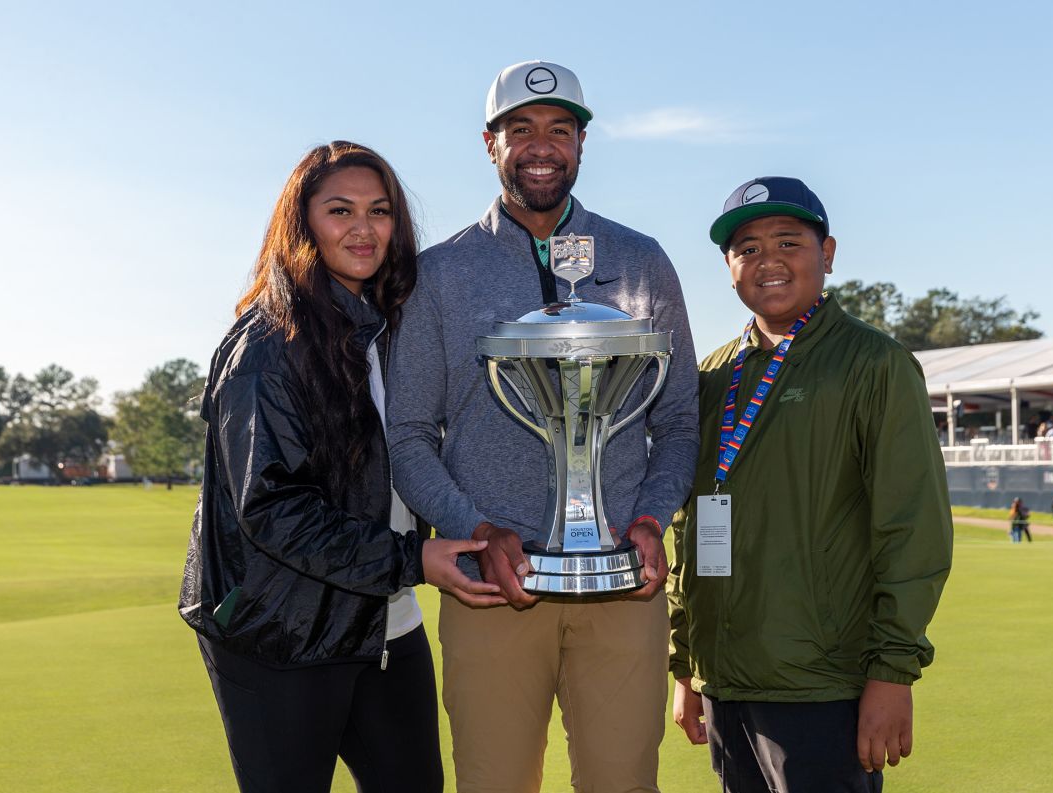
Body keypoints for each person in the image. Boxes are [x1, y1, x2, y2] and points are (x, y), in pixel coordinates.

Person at [386, 61, 699, 793]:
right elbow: (407, 435)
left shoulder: (642, 260)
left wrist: (652, 517)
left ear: (583, 144)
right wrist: (476, 527)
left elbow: (679, 420)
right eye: (520, 129)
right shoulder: (439, 274)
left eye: (560, 129)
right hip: (491, 588)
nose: (541, 146)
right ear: (489, 143)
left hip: (622, 584)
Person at [178, 142, 504, 793]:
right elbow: (273, 509)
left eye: (379, 210)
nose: (363, 227)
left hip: (387, 623)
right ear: (304, 223)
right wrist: (414, 559)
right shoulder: (269, 345)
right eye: (339, 210)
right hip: (282, 632)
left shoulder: (381, 328)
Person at [668, 176, 954, 792]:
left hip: (825, 684)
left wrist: (892, 674)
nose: (767, 260)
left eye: (788, 242)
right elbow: (689, 528)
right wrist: (686, 665)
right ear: (728, 266)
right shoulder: (711, 374)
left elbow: (912, 530)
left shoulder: (875, 364)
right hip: (726, 681)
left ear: (826, 253)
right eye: (746, 248)